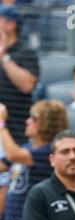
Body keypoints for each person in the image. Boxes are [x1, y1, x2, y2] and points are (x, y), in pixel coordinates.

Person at [0, 100, 67, 220]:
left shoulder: (49, 152)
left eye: (33, 118)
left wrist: (1, 124)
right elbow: (3, 163)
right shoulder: (27, 148)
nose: (27, 121)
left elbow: (13, 154)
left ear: (47, 123)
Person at [0, 6, 39, 145]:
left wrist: (4, 56)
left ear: (10, 25)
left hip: (15, 133)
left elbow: (27, 85)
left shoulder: (25, 53)